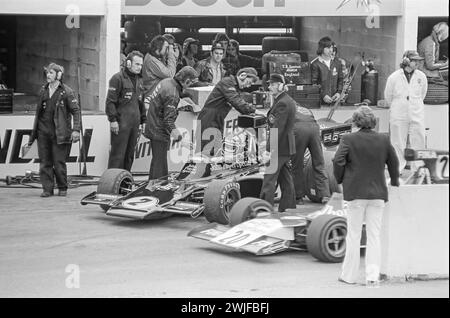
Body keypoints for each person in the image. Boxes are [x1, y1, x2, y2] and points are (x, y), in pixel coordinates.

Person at [333, 106, 399, 287]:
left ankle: (349, 276)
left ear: (355, 122)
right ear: (373, 122)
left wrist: (340, 179)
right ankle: (372, 276)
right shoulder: (383, 140)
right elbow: (394, 162)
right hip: (378, 194)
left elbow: (338, 161)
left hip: (355, 193)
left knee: (354, 235)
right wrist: (394, 181)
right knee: (374, 235)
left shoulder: (348, 139)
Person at [29, 63, 81, 197]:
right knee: (45, 162)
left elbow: (76, 111)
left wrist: (76, 130)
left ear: (58, 75)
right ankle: (47, 189)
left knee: (58, 162)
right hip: (43, 132)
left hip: (60, 133)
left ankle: (62, 187)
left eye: (51, 73)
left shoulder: (67, 92)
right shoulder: (43, 90)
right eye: (47, 72)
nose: (48, 75)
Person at [144, 66, 199, 180]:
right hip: (158, 130)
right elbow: (168, 121)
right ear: (186, 80)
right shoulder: (173, 94)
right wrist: (181, 139)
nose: (190, 86)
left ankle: (153, 185)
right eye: (191, 83)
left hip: (152, 124)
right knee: (160, 163)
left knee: (158, 161)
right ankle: (157, 189)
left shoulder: (167, 81)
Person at [197, 67, 259, 155]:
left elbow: (238, 101)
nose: (248, 86)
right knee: (206, 151)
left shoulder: (233, 86)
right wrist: (255, 111)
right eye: (248, 82)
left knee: (215, 150)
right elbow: (236, 101)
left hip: (217, 119)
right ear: (242, 76)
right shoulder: (227, 83)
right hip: (209, 118)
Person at [384, 50, 428, 174]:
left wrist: (414, 104)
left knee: (418, 139)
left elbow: (423, 94)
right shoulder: (394, 77)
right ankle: (397, 168)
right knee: (397, 141)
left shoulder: (421, 76)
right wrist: (399, 105)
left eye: (418, 60)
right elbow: (388, 96)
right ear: (406, 61)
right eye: (415, 60)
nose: (418, 63)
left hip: (416, 111)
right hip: (399, 111)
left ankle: (418, 167)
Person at [259, 74, 296, 212]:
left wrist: (269, 150)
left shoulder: (282, 103)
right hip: (285, 147)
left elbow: (277, 129)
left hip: (279, 147)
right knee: (286, 179)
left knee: (269, 180)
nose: (269, 87)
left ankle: (263, 210)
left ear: (280, 85)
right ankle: (288, 208)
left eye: (272, 84)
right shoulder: (286, 100)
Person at [106, 51, 147, 172]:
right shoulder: (117, 78)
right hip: (121, 124)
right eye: (137, 64)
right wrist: (113, 120)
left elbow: (141, 103)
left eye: (141, 65)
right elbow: (110, 102)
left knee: (129, 156)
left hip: (134, 124)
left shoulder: (140, 81)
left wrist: (144, 120)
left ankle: (125, 184)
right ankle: (111, 185)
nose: (139, 67)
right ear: (128, 63)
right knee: (117, 155)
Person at [291, 103, 330, 205]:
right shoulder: (305, 109)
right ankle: (325, 194)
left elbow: (278, 129)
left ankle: (298, 197)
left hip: (299, 130)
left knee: (297, 164)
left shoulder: (283, 108)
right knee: (319, 163)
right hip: (314, 129)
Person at [311, 36, 344, 105]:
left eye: (331, 47)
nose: (331, 50)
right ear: (321, 48)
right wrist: (323, 95)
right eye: (328, 48)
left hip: (335, 102)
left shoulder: (337, 63)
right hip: (320, 102)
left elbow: (341, 80)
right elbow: (313, 83)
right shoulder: (315, 64)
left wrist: (338, 93)